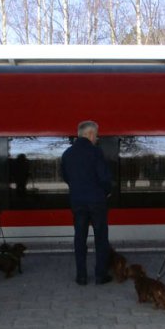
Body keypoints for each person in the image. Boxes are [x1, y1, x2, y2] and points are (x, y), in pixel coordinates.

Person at [61, 120, 112, 285]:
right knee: (101, 238)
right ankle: (100, 275)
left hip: (77, 201)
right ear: (90, 134)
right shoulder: (95, 152)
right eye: (96, 135)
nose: (97, 138)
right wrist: (106, 192)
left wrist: (77, 189)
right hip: (97, 201)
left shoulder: (67, 153)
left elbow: (66, 177)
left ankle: (81, 276)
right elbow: (104, 177)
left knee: (80, 238)